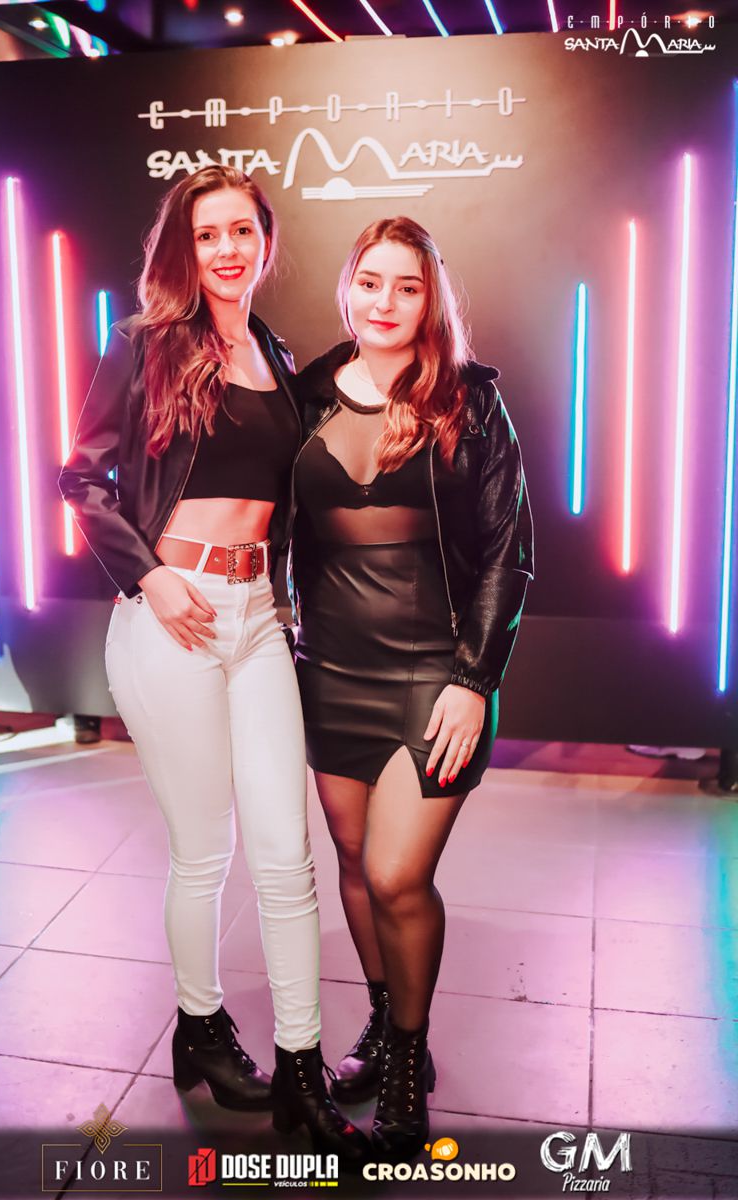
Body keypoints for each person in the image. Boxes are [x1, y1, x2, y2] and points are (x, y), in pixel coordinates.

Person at [59, 166, 368, 1163]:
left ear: (264, 241)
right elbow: (81, 477)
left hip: (259, 619)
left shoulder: (276, 355)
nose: (227, 250)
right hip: (173, 615)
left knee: (286, 854)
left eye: (242, 231)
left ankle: (301, 1071)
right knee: (205, 851)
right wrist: (147, 578)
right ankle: (200, 1024)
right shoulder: (144, 344)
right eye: (207, 234)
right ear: (182, 250)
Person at [291, 217, 534, 1160]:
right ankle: (388, 1020)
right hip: (330, 669)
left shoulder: (469, 401)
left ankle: (403, 1054)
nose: (385, 303)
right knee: (354, 866)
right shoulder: (307, 394)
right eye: (371, 282)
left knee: (398, 875)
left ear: (431, 297)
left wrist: (475, 678)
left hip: (438, 675)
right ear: (348, 287)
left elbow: (509, 552)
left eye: (407, 286)